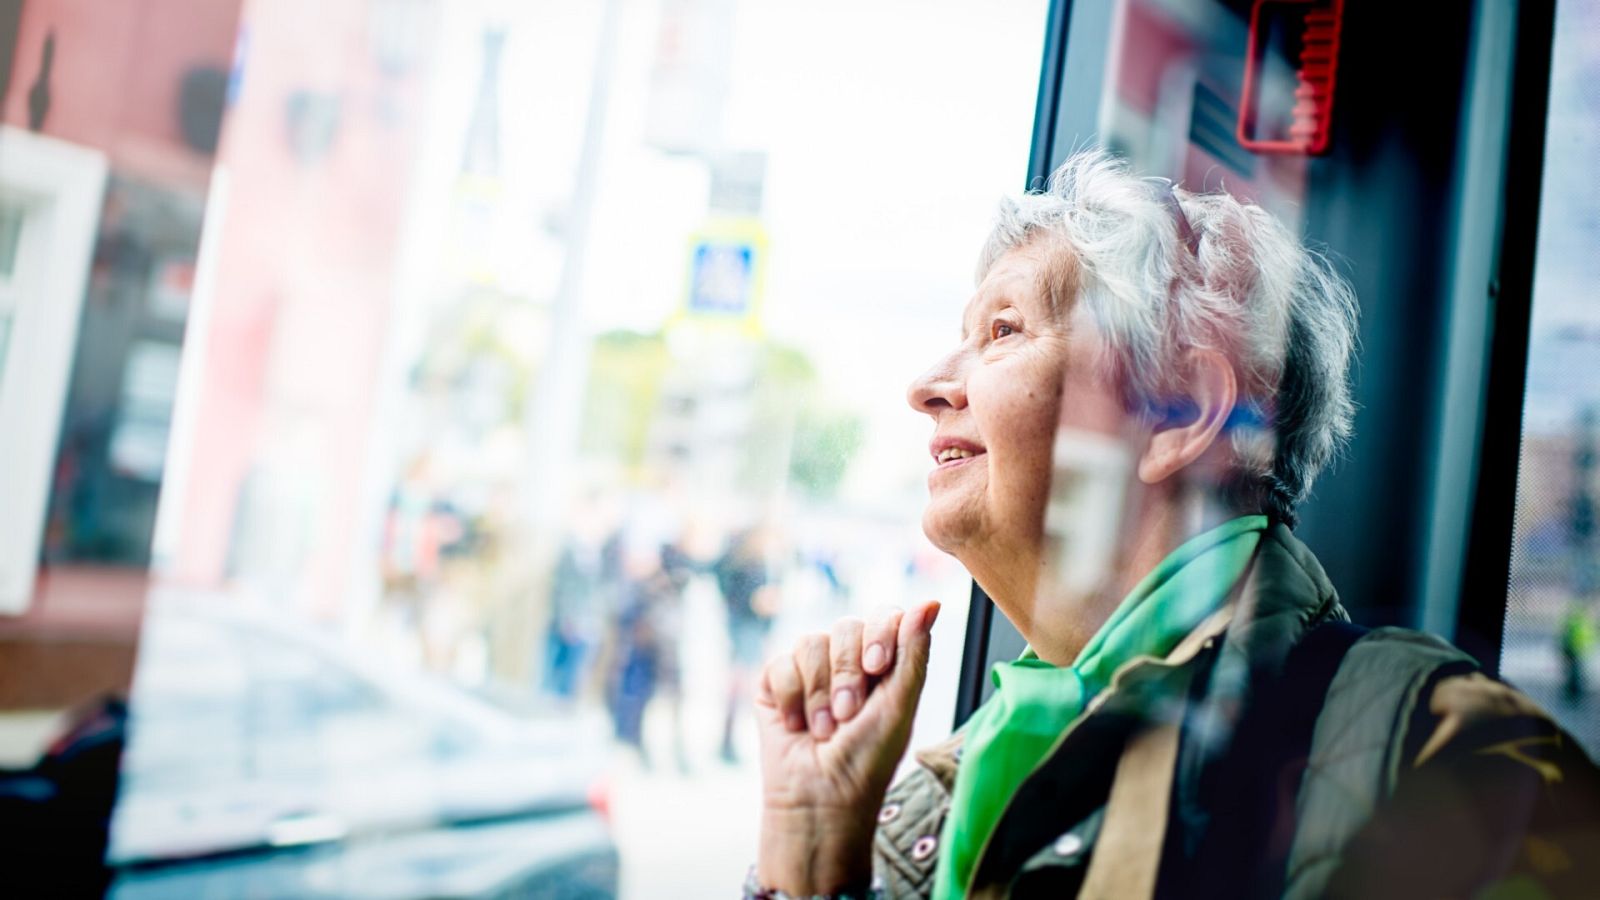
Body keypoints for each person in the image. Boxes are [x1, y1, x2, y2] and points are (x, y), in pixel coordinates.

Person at [745, 149, 1600, 899]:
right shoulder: (950, 782)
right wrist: (815, 863)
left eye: (1003, 330)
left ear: (1182, 414)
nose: (927, 383)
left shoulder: (1442, 761)